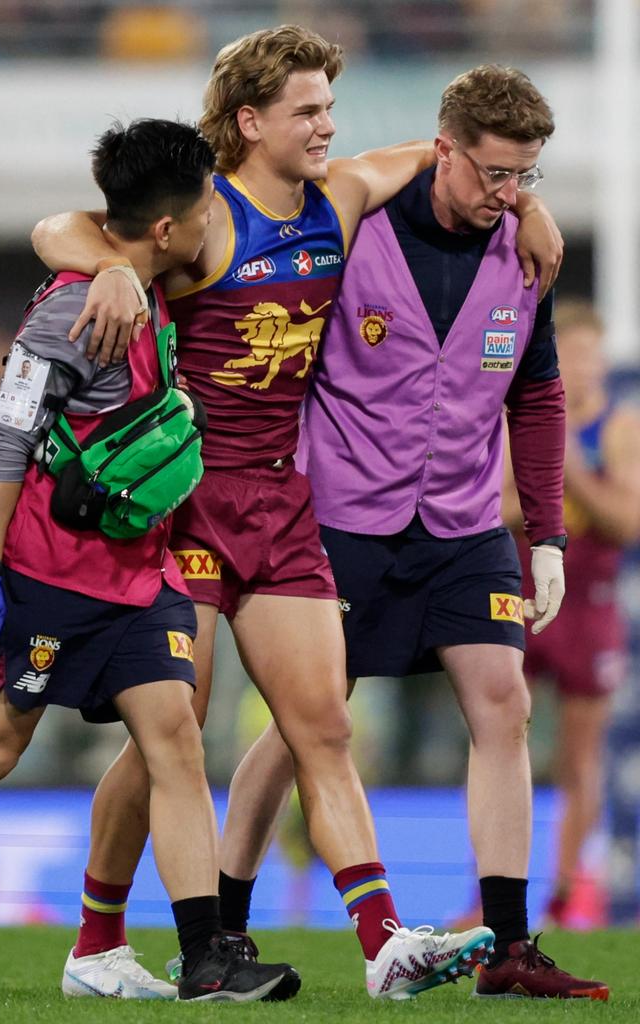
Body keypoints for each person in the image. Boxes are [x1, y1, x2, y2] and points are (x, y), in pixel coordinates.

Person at [31, 27, 563, 1001]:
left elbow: (454, 155)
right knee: (171, 733)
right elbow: (56, 227)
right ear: (250, 122)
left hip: (282, 500)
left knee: (321, 726)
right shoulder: (200, 214)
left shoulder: (344, 196)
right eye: (310, 111)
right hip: (190, 505)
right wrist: (106, 265)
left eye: (330, 107)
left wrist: (529, 204)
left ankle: (383, 941)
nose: (329, 125)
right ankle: (100, 940)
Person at [0, 118, 294, 1005]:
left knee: (176, 739)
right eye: (207, 204)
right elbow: (4, 440)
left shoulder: (151, 280)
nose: (218, 215)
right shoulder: (72, 310)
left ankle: (206, 953)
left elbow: (71, 224)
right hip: (48, 579)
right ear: (168, 228)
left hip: (142, 579)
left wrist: (114, 261)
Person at [293, 65, 610, 1000]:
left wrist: (545, 535)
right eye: (493, 174)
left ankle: (509, 946)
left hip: (466, 524)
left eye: (526, 178)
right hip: (343, 515)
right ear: (443, 151)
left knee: (503, 703)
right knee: (308, 726)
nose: (508, 196)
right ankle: (225, 920)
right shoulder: (356, 226)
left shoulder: (525, 251)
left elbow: (540, 396)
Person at [505, 299, 640, 927]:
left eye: (591, 357)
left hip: (588, 598)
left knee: (579, 757)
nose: (580, 369)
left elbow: (627, 521)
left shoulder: (620, 427)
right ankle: (499, 888)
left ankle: (561, 894)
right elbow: (494, 508)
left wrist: (564, 469)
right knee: (501, 737)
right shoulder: (518, 418)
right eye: (569, 356)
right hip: (523, 588)